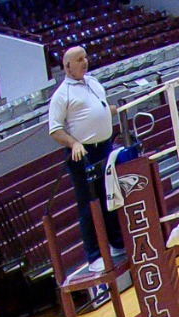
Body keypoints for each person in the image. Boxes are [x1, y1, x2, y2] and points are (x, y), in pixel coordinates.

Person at [46, 46, 123, 266]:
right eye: (79, 59)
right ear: (67, 66)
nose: (85, 62)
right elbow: (55, 129)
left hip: (105, 147)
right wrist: (74, 143)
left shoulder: (93, 82)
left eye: (85, 57)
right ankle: (94, 255)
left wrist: (108, 110)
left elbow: (95, 110)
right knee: (89, 204)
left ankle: (117, 243)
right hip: (83, 154)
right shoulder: (62, 95)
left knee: (110, 195)